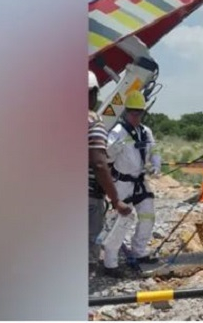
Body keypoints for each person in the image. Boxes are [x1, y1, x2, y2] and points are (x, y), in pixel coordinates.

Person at [103, 90, 159, 276]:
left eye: (139, 113)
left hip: (140, 182)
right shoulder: (117, 132)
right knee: (121, 221)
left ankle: (139, 251)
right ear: (126, 112)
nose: (136, 117)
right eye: (133, 113)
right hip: (122, 183)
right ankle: (110, 263)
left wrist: (156, 165)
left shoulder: (146, 131)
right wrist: (113, 149)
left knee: (148, 216)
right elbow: (106, 156)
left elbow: (154, 150)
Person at [88, 71, 131, 273]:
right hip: (87, 198)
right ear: (94, 93)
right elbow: (98, 164)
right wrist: (115, 200)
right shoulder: (92, 122)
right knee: (87, 246)